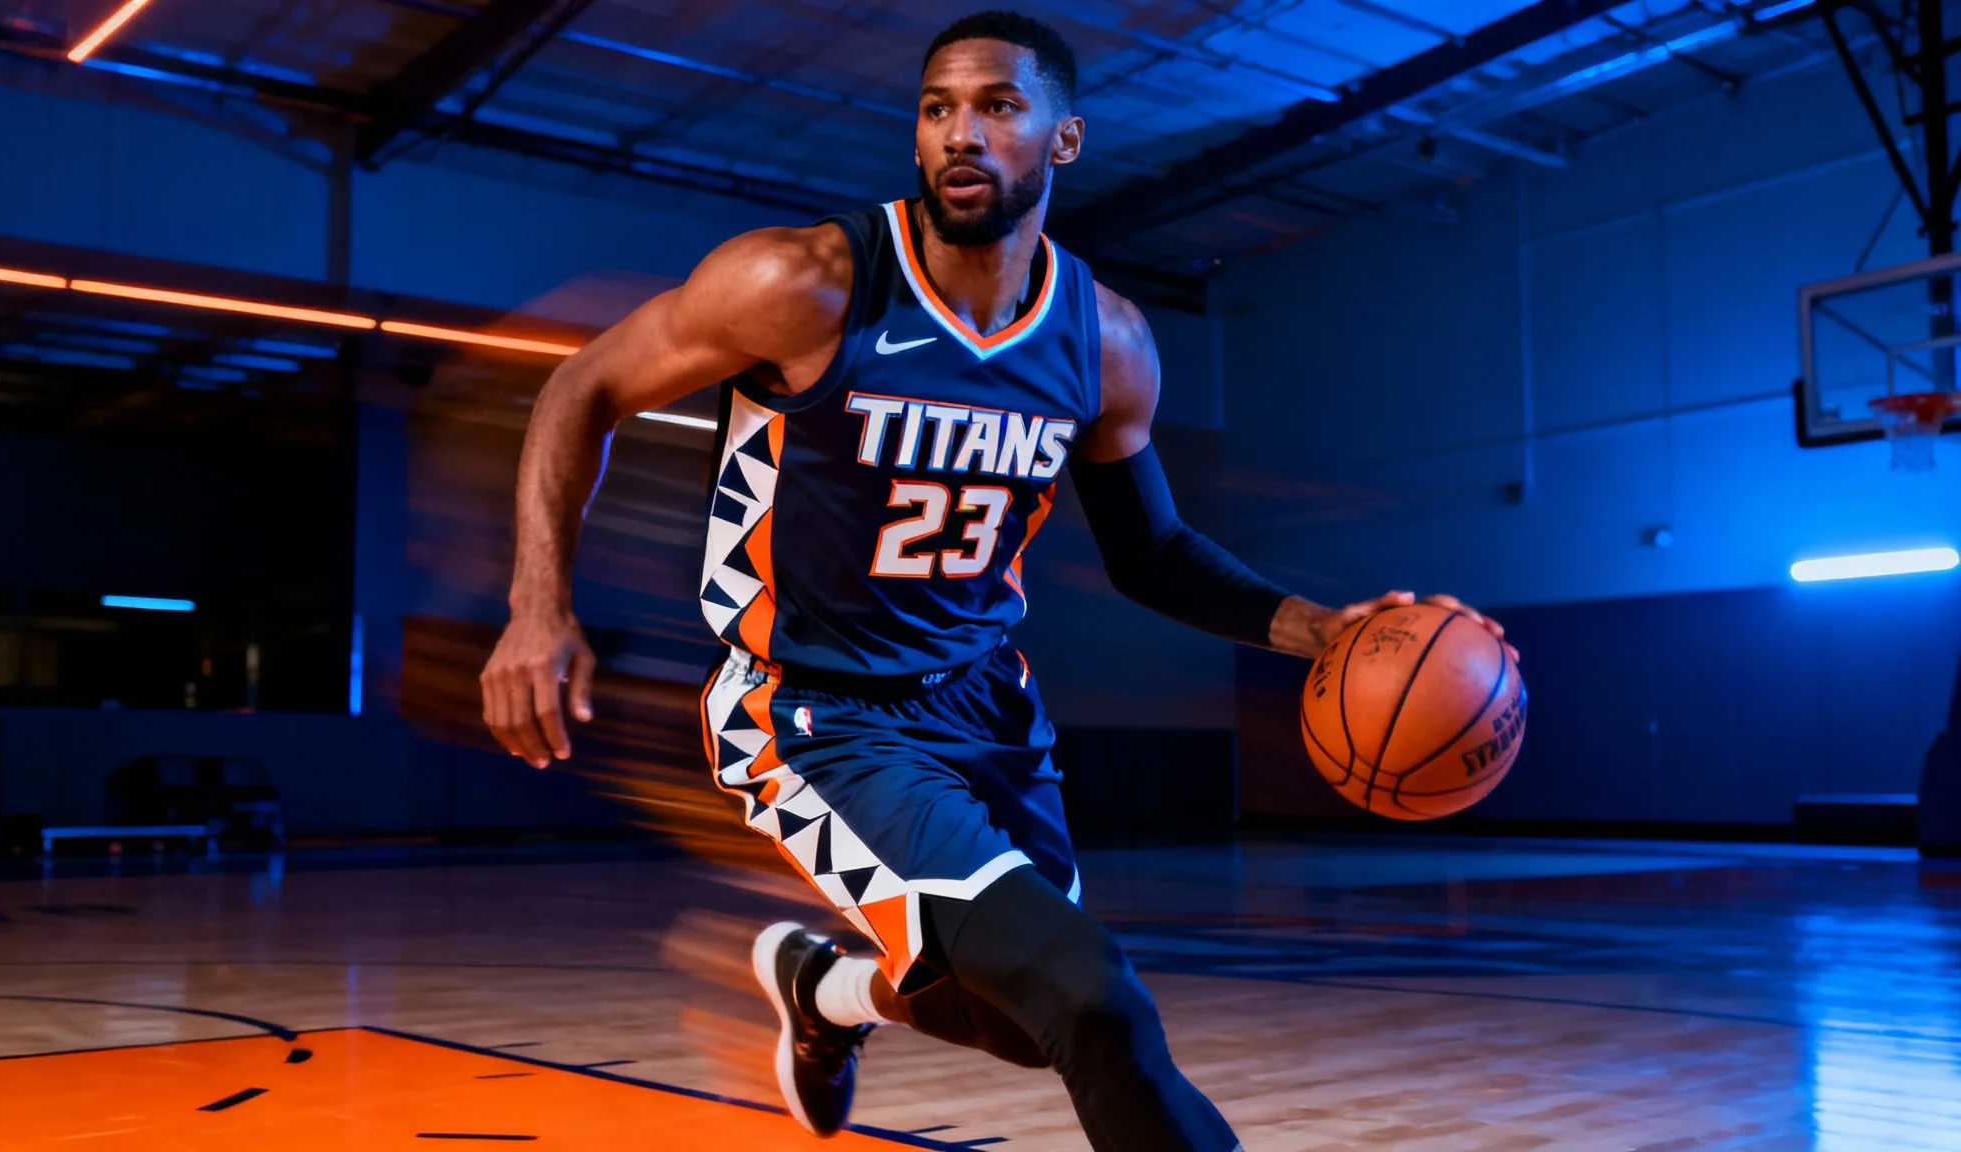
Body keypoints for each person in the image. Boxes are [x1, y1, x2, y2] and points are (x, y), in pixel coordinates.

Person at [481, 11, 1511, 1149]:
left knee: (1029, 1020)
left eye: (996, 107)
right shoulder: (804, 283)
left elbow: (1151, 552)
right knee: (1093, 999)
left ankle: (824, 994)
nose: (958, 134)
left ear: (1061, 141)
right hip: (817, 714)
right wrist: (537, 607)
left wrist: (1319, 629)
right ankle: (840, 987)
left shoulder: (1105, 343)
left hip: (984, 708)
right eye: (936, 110)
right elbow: (582, 388)